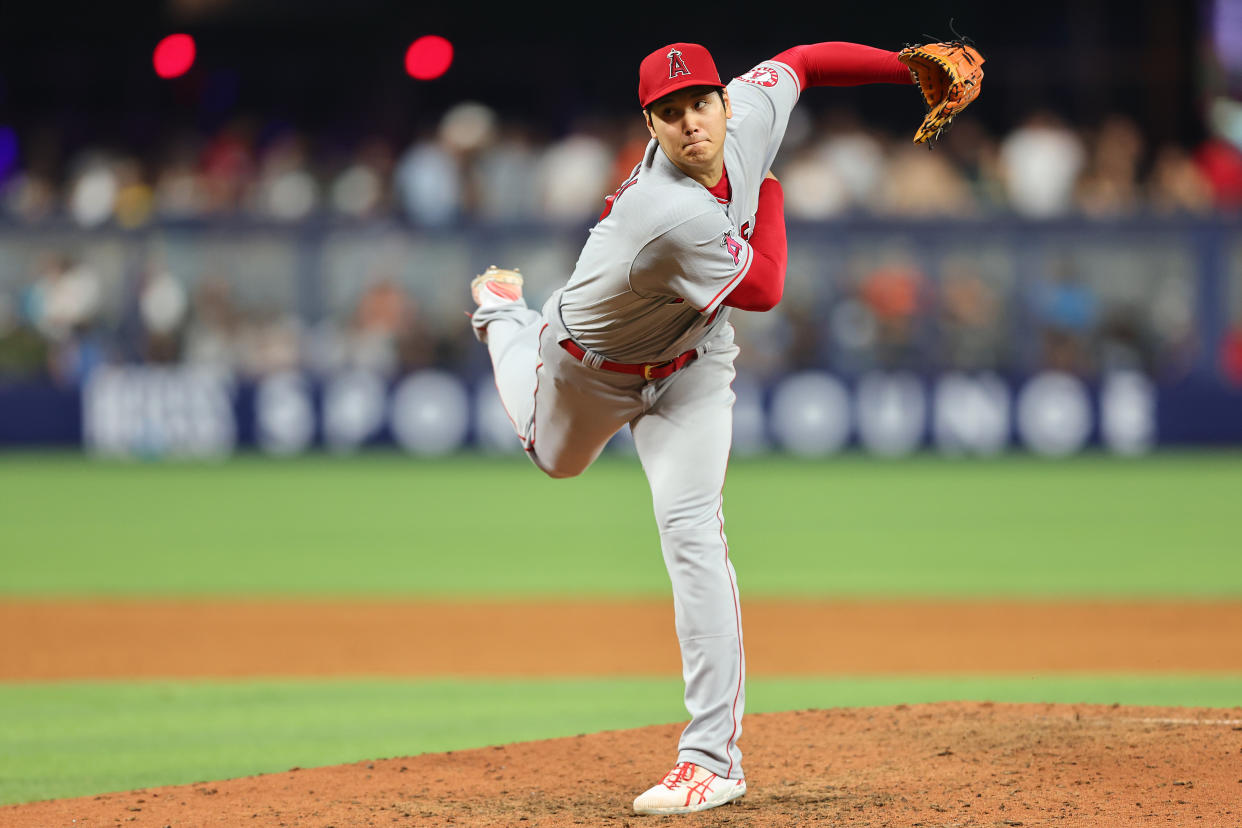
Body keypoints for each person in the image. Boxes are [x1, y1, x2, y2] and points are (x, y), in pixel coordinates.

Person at [471, 40, 917, 815]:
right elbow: (769, 286)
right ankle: (500, 312)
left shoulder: (749, 110)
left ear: (723, 101)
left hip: (692, 367)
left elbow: (806, 60)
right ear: (650, 125)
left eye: (700, 103)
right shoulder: (665, 207)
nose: (690, 123)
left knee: (692, 536)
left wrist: (908, 67)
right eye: (668, 114)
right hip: (587, 368)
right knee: (553, 459)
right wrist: (770, 189)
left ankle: (711, 759)